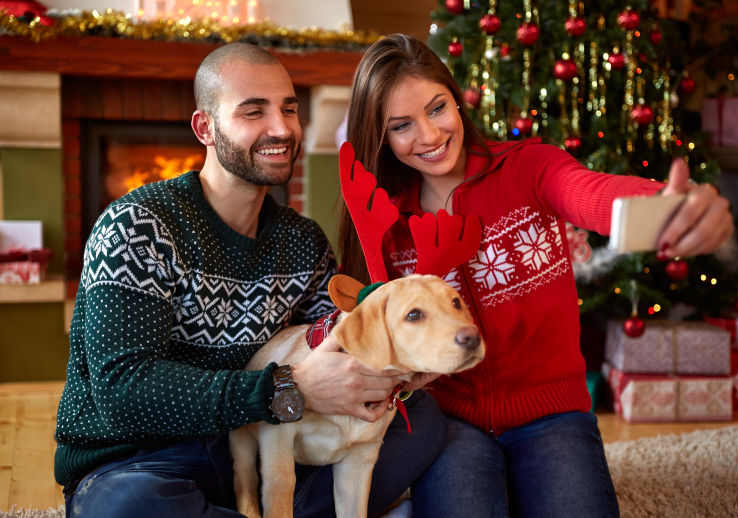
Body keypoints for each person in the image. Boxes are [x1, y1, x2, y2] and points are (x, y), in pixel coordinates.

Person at [338, 34, 734, 518]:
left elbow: (591, 192)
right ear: (380, 138)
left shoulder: (528, 167)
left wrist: (669, 209)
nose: (429, 134)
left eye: (437, 108)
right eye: (402, 126)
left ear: (456, 101)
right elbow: (358, 323)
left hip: (552, 414)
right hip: (447, 421)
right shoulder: (382, 219)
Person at [55, 42, 446, 518]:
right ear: (205, 128)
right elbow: (124, 391)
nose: (281, 128)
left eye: (289, 109)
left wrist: (392, 364)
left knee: (420, 418)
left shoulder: (302, 242)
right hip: (144, 465)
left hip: (266, 452)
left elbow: (334, 348)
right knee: (129, 507)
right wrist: (286, 388)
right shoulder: (138, 226)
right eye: (253, 112)